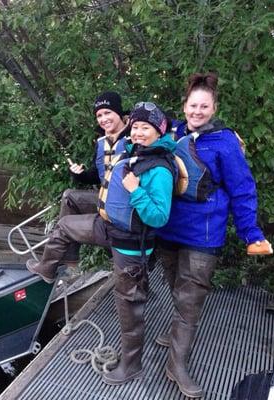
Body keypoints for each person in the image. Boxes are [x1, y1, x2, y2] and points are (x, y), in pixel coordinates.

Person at [27, 102, 176, 385]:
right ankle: (48, 267)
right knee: (64, 226)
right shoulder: (136, 152)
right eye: (137, 128)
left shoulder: (160, 169)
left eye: (147, 128)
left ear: (159, 131)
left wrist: (135, 191)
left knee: (129, 308)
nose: (140, 133)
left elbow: (158, 216)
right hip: (110, 229)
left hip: (131, 246)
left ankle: (131, 366)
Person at [155, 72, 272, 398]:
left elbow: (243, 189)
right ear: (185, 105)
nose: (197, 111)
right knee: (176, 287)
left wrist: (251, 233)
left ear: (213, 107)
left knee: (190, 300)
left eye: (204, 106)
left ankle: (176, 364)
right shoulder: (172, 132)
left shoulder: (225, 142)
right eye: (193, 105)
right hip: (169, 227)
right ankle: (176, 330)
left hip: (203, 234)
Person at [58, 91, 130, 266]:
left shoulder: (135, 136)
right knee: (69, 196)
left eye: (108, 113)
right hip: (103, 198)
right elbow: (96, 177)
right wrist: (80, 174)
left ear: (119, 113)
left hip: (127, 205)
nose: (103, 119)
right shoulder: (101, 141)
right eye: (99, 115)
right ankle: (69, 258)